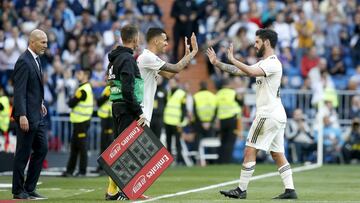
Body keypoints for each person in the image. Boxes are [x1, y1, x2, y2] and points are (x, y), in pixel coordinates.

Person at [206, 28, 297, 199]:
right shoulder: (265, 63)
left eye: (257, 42)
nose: (255, 45)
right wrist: (217, 63)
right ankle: (290, 190)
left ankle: (241, 190)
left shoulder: (272, 63)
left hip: (267, 114)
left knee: (250, 149)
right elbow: (240, 71)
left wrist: (233, 58)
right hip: (277, 114)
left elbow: (249, 71)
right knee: (277, 153)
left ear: (267, 42)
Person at [105, 25, 146, 200]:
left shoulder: (114, 60)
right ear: (135, 39)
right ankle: (124, 190)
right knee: (127, 151)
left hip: (117, 106)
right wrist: (139, 111)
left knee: (122, 149)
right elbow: (128, 90)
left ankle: (112, 190)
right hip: (127, 108)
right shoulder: (128, 60)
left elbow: (112, 84)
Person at [12, 29, 48, 200]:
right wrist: (21, 115)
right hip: (26, 116)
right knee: (22, 153)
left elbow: (32, 89)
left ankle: (29, 187)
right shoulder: (23, 61)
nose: (45, 46)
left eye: (46, 42)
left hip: (37, 114)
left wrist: (40, 103)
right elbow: (19, 91)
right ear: (32, 42)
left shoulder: (35, 60)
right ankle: (18, 190)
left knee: (42, 148)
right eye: (43, 42)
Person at [137, 27, 198, 125]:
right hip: (140, 113)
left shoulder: (148, 58)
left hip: (143, 113)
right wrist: (193, 53)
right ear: (156, 41)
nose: (166, 43)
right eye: (164, 40)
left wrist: (186, 57)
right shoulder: (148, 57)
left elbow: (169, 75)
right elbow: (175, 68)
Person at [61, 68, 93, 177]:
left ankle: (82, 171)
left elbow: (71, 103)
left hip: (81, 122)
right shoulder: (84, 88)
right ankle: (70, 170)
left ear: (86, 76)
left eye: (80, 73)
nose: (77, 75)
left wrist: (71, 99)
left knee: (82, 147)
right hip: (79, 122)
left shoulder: (83, 90)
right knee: (74, 147)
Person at [215, 78, 241, 164]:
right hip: (232, 119)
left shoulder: (218, 94)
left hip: (222, 120)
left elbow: (216, 108)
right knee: (230, 141)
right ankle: (227, 160)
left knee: (223, 141)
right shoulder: (233, 92)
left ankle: (220, 160)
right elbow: (240, 103)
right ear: (229, 84)